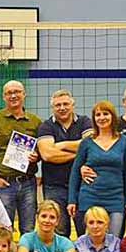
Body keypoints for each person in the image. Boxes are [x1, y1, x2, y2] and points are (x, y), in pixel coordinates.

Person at [68, 101, 126, 238]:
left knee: (114, 241)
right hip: (89, 197)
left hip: (115, 199)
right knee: (86, 242)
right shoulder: (86, 142)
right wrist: (72, 200)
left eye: (105, 114)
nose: (102, 117)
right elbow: (75, 172)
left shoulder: (124, 141)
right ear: (94, 119)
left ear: (112, 117)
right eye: (98, 115)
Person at [0, 80, 41, 234]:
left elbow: (41, 149)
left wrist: (37, 156)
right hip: (4, 182)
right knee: (3, 230)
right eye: (9, 93)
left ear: (24, 94)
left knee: (28, 228)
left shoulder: (35, 121)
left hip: (28, 182)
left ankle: (25, 250)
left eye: (17, 92)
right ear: (3, 97)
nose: (13, 96)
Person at [36, 89, 91, 236]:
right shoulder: (46, 126)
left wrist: (62, 145)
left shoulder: (85, 121)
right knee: (59, 232)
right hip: (54, 186)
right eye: (58, 105)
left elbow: (91, 144)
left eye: (65, 104)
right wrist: (79, 155)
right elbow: (47, 155)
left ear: (73, 105)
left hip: (82, 185)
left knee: (85, 230)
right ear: (52, 108)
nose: (62, 108)